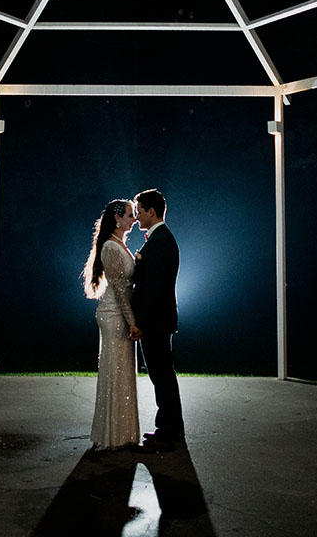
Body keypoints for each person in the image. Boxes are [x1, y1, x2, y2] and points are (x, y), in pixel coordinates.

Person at [82, 198, 141, 449]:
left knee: (123, 371)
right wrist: (132, 322)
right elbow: (118, 289)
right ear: (117, 219)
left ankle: (123, 432)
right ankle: (113, 435)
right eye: (130, 215)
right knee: (115, 370)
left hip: (120, 312)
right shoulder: (110, 248)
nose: (134, 219)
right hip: (114, 314)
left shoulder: (121, 245)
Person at [130, 188, 185, 451]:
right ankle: (170, 430)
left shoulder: (160, 241)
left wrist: (141, 322)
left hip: (156, 322)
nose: (138, 216)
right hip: (159, 320)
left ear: (151, 211)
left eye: (139, 211)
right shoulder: (160, 239)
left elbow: (154, 288)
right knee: (163, 376)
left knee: (162, 377)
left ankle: (168, 434)